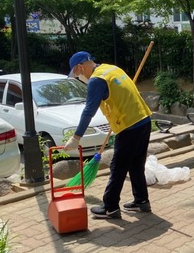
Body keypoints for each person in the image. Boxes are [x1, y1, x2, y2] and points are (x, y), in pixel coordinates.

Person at [64, 51, 153, 219]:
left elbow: (89, 110)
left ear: (80, 67)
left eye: (76, 74)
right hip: (144, 120)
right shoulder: (111, 69)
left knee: (117, 167)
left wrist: (76, 138)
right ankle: (141, 201)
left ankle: (110, 207)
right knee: (136, 164)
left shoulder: (97, 80)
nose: (78, 77)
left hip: (129, 126)